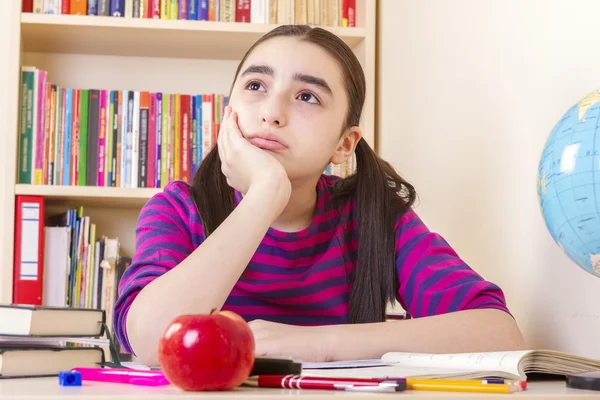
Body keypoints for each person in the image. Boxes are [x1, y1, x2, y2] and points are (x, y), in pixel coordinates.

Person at [113, 24, 525, 367]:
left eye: (307, 96)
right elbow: (152, 341)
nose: (272, 112)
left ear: (344, 145)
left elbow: (498, 334)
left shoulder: (377, 219)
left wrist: (311, 344)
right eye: (256, 84)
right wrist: (264, 196)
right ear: (228, 114)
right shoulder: (179, 209)